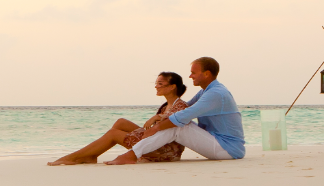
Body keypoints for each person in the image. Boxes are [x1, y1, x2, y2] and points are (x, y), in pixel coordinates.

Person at [107, 56, 245, 164]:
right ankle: (134, 153)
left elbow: (184, 115)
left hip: (228, 149)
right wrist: (160, 117)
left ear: (207, 74)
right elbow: (185, 107)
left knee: (179, 126)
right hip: (219, 143)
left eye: (193, 73)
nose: (190, 76)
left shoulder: (216, 93)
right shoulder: (206, 92)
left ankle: (132, 155)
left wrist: (155, 128)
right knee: (176, 123)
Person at [48, 72, 191, 165]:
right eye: (156, 83)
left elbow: (175, 123)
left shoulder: (181, 105)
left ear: (172, 87)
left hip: (167, 151)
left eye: (160, 83)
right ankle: (91, 155)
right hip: (157, 141)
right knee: (121, 122)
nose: (156, 86)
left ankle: (73, 157)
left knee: (113, 134)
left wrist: (157, 117)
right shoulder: (166, 105)